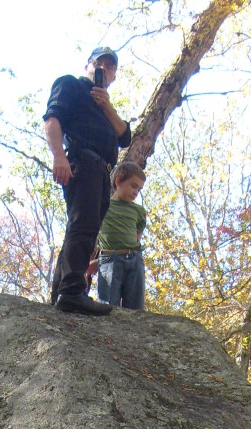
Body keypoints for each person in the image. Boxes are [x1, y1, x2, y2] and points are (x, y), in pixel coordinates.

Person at [44, 46, 131, 316]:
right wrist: (59, 155)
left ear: (114, 75)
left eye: (111, 66)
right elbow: (52, 119)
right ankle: (72, 290)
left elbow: (125, 136)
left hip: (103, 172)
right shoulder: (71, 85)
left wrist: (106, 106)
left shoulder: (105, 108)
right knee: (83, 225)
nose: (105, 69)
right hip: (82, 161)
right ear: (88, 67)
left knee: (86, 229)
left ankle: (61, 291)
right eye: (100, 63)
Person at [92, 160, 147, 309]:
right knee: (108, 308)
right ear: (118, 181)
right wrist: (94, 262)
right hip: (109, 260)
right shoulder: (102, 206)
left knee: (136, 312)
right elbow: (92, 234)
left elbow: (136, 236)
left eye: (139, 189)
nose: (136, 192)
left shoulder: (139, 211)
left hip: (134, 260)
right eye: (133, 186)